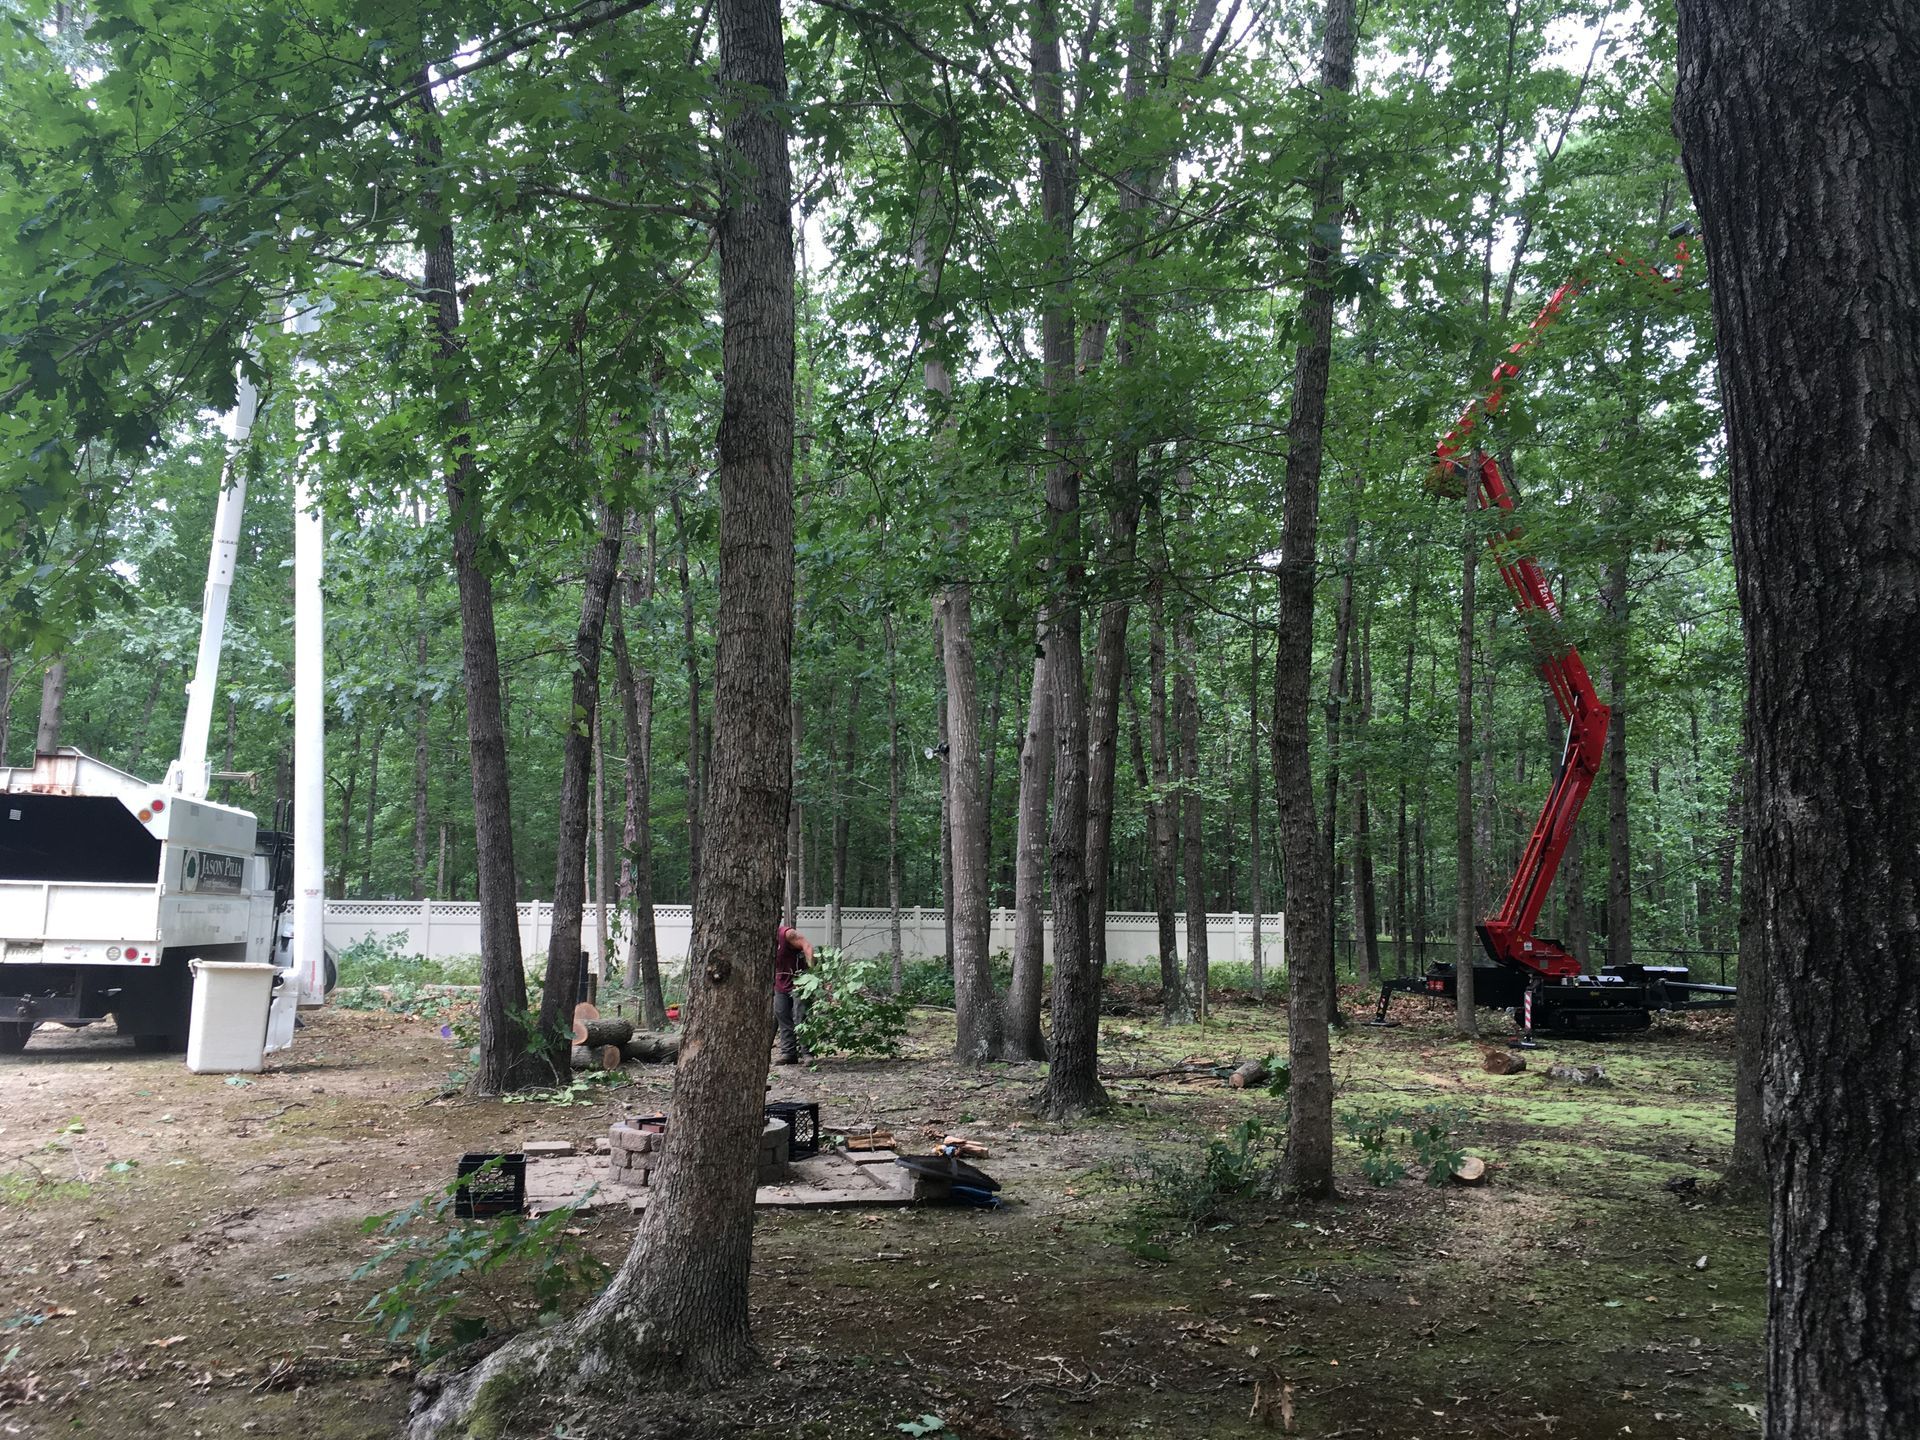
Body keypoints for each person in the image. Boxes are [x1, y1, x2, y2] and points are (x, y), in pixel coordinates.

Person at [772, 922, 815, 1064]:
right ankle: (789, 1053)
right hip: (780, 982)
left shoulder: (786, 934)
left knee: (800, 1015)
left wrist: (811, 974)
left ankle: (807, 1053)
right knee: (781, 1013)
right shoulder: (759, 940)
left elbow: (807, 946)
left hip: (799, 981)